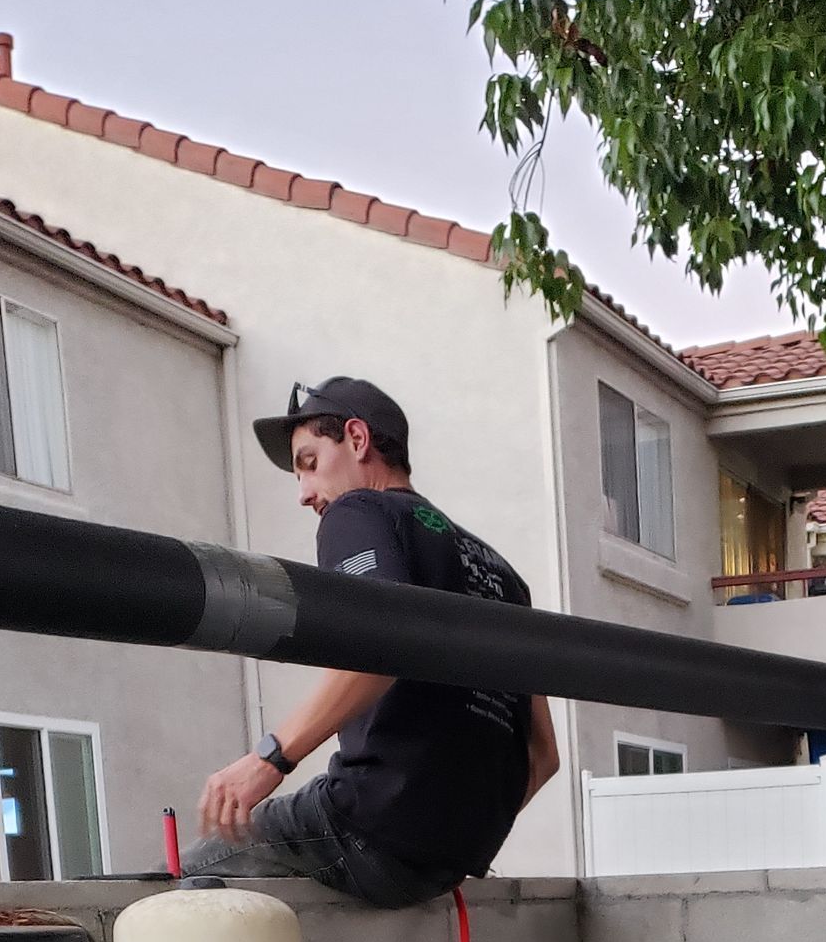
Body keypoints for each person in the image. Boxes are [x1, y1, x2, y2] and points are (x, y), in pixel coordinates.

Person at [186, 376, 559, 906]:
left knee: (177, 883)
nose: (304, 494)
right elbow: (544, 757)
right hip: (451, 861)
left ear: (357, 440)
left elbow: (382, 646)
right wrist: (451, 838)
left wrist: (268, 759)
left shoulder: (359, 512)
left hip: (368, 825)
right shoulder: (504, 574)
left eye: (310, 463)